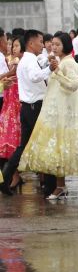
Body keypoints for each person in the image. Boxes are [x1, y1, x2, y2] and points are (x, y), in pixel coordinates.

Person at [18, 33, 78, 199]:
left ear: (66, 46)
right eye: (52, 44)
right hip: (55, 113)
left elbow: (74, 85)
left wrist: (58, 72)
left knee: (74, 148)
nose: (53, 47)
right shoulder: (57, 61)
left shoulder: (70, 63)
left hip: (68, 114)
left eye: (57, 45)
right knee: (57, 149)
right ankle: (60, 186)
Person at [0, 31, 58, 196]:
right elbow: (34, 77)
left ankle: (5, 177)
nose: (43, 44)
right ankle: (50, 185)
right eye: (40, 41)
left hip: (27, 107)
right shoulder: (29, 60)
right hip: (35, 107)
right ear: (31, 44)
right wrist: (50, 69)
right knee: (45, 144)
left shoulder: (27, 59)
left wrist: (47, 63)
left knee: (24, 146)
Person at [0, 37, 21, 189]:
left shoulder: (22, 62)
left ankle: (15, 176)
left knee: (16, 140)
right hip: (9, 103)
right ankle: (14, 176)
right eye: (11, 45)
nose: (13, 48)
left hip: (17, 103)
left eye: (16, 45)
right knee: (9, 140)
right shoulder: (9, 61)